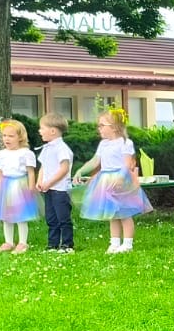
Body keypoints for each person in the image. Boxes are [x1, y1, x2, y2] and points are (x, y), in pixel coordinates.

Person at [75, 107, 152, 254]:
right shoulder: (103, 144)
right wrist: (81, 170)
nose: (99, 128)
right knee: (112, 214)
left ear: (115, 127)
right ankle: (114, 242)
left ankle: (127, 244)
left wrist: (121, 178)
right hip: (105, 180)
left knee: (124, 213)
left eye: (102, 125)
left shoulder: (125, 142)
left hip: (120, 180)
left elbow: (127, 163)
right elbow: (95, 161)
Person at [0, 120, 39, 254]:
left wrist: (31, 187)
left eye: (11, 136)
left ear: (20, 137)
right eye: (4, 135)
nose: (7, 139)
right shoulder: (1, 154)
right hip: (5, 186)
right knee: (7, 216)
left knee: (21, 215)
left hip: (20, 186)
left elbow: (30, 172)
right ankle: (9, 242)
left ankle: (23, 242)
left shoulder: (25, 153)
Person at [36, 112, 75, 253]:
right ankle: (52, 244)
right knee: (51, 218)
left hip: (60, 190)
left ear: (52, 131)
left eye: (42, 128)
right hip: (49, 189)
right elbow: (43, 166)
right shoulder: (47, 148)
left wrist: (49, 182)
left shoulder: (62, 149)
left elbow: (64, 169)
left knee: (63, 218)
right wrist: (40, 181)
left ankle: (67, 244)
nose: (39, 131)